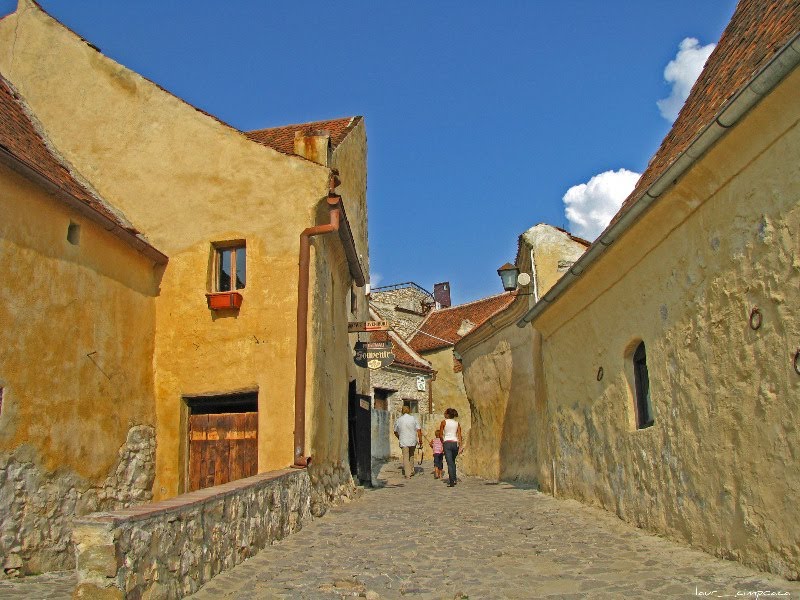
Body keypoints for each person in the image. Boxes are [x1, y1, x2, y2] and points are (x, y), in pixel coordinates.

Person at [394, 405, 422, 479]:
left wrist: (399, 437)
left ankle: (407, 474)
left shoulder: (399, 420)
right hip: (412, 440)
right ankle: (412, 470)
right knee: (411, 455)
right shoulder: (413, 418)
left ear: (402, 411)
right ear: (409, 410)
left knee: (405, 457)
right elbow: (419, 430)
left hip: (403, 440)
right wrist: (420, 440)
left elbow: (395, 431)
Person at [439, 408, 462, 487]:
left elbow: (440, 434)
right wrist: (460, 445)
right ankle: (454, 478)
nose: (444, 414)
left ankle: (451, 481)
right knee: (453, 461)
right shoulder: (457, 423)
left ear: (447, 414)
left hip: (447, 443)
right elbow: (459, 435)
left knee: (449, 463)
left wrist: (442, 442)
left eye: (445, 413)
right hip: (455, 443)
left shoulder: (443, 422)